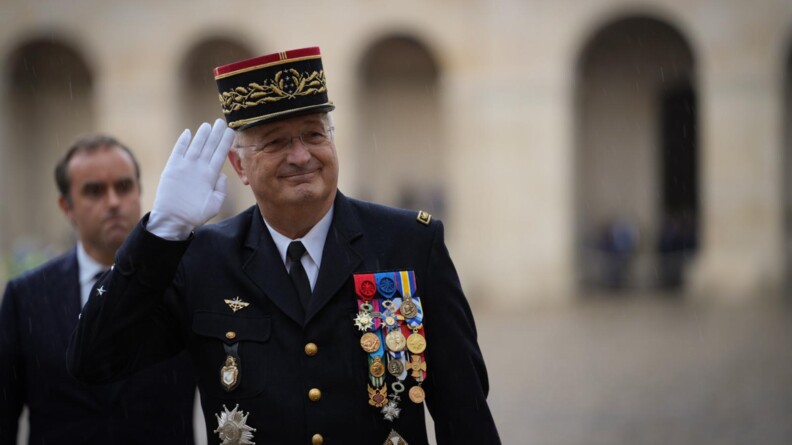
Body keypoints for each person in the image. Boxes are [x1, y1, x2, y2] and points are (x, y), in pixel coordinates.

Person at [69, 47, 500, 445]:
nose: (301, 156)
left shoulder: (409, 243)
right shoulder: (202, 261)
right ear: (239, 165)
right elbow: (94, 359)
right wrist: (160, 233)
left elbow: (464, 411)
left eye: (314, 134)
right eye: (276, 142)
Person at [0, 135, 196, 444]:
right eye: (94, 191)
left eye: (123, 187)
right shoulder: (26, 295)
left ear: (140, 192)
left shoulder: (181, 283)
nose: (113, 202)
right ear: (67, 206)